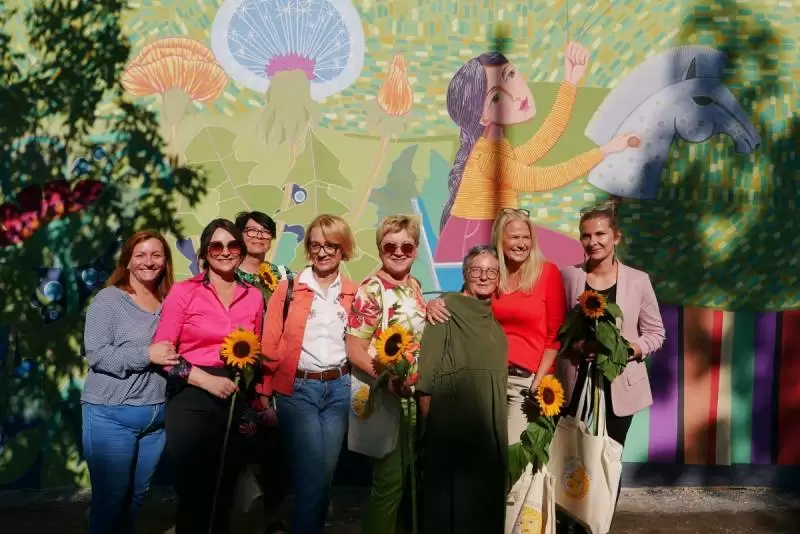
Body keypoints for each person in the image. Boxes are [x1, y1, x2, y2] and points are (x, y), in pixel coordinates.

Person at [433, 42, 639, 266]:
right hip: (476, 242)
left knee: (575, 255)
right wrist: (604, 151)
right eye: (496, 98)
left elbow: (543, 141)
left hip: (496, 233)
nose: (514, 95)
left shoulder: (494, 146)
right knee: (576, 255)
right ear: (483, 117)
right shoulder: (489, 157)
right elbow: (542, 178)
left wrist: (570, 81)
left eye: (510, 75)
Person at [558, 203, 666, 532]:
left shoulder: (638, 281)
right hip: (574, 385)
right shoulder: (569, 276)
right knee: (571, 456)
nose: (593, 241)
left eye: (600, 234)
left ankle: (598, 524)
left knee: (607, 460)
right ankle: (569, 522)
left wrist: (627, 349)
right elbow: (556, 329)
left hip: (619, 389)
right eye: (586, 235)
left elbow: (655, 333)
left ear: (616, 237)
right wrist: (574, 346)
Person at [153, 218, 264, 534]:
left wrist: (252, 405)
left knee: (224, 491)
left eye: (232, 245)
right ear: (204, 252)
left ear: (241, 250)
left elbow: (254, 352)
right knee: (194, 492)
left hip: (234, 397)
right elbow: (162, 353)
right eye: (216, 246)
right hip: (190, 395)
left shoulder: (253, 296)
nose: (225, 252)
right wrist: (206, 380)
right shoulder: (184, 292)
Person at [427, 208, 566, 445]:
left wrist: (538, 381)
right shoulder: (492, 275)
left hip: (526, 382)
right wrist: (434, 303)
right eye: (514, 237)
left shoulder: (547, 273)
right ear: (500, 240)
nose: (521, 244)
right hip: (488, 379)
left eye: (526, 237)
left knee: (514, 454)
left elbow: (556, 336)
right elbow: (463, 302)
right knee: (486, 453)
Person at [259, 214, 358, 534]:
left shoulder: (354, 293)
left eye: (331, 245)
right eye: (316, 245)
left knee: (324, 478)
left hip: (339, 390)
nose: (322, 252)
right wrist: (263, 396)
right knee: (311, 480)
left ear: (343, 249)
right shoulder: (289, 288)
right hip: (298, 390)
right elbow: (269, 343)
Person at [81, 230, 178, 534]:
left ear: (165, 261)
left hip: (155, 420)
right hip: (111, 414)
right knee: (110, 501)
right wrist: (147, 354)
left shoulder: (170, 301)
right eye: (140, 255)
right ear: (128, 261)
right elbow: (97, 354)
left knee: (136, 498)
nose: (148, 262)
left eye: (156, 255)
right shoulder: (108, 300)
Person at [345, 214, 427, 534]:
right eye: (390, 246)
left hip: (412, 399)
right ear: (380, 248)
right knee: (389, 483)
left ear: (416, 249)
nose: (398, 252)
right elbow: (354, 348)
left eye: (407, 246)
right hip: (386, 398)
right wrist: (388, 380)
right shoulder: (372, 289)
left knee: (403, 482)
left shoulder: (414, 286)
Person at [417, 245, 508, 534]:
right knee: (451, 507)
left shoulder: (493, 321)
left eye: (491, 271)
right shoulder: (446, 308)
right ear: (465, 273)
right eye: (476, 270)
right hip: (451, 428)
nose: (483, 276)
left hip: (488, 431)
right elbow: (426, 374)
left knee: (483, 506)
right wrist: (431, 428)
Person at [233, 210, 291, 534]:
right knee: (236, 449)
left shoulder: (281, 276)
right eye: (251, 230)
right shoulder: (226, 274)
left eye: (265, 231)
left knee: (275, 451)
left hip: (274, 374)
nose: (258, 236)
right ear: (240, 235)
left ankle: (272, 514)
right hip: (237, 372)